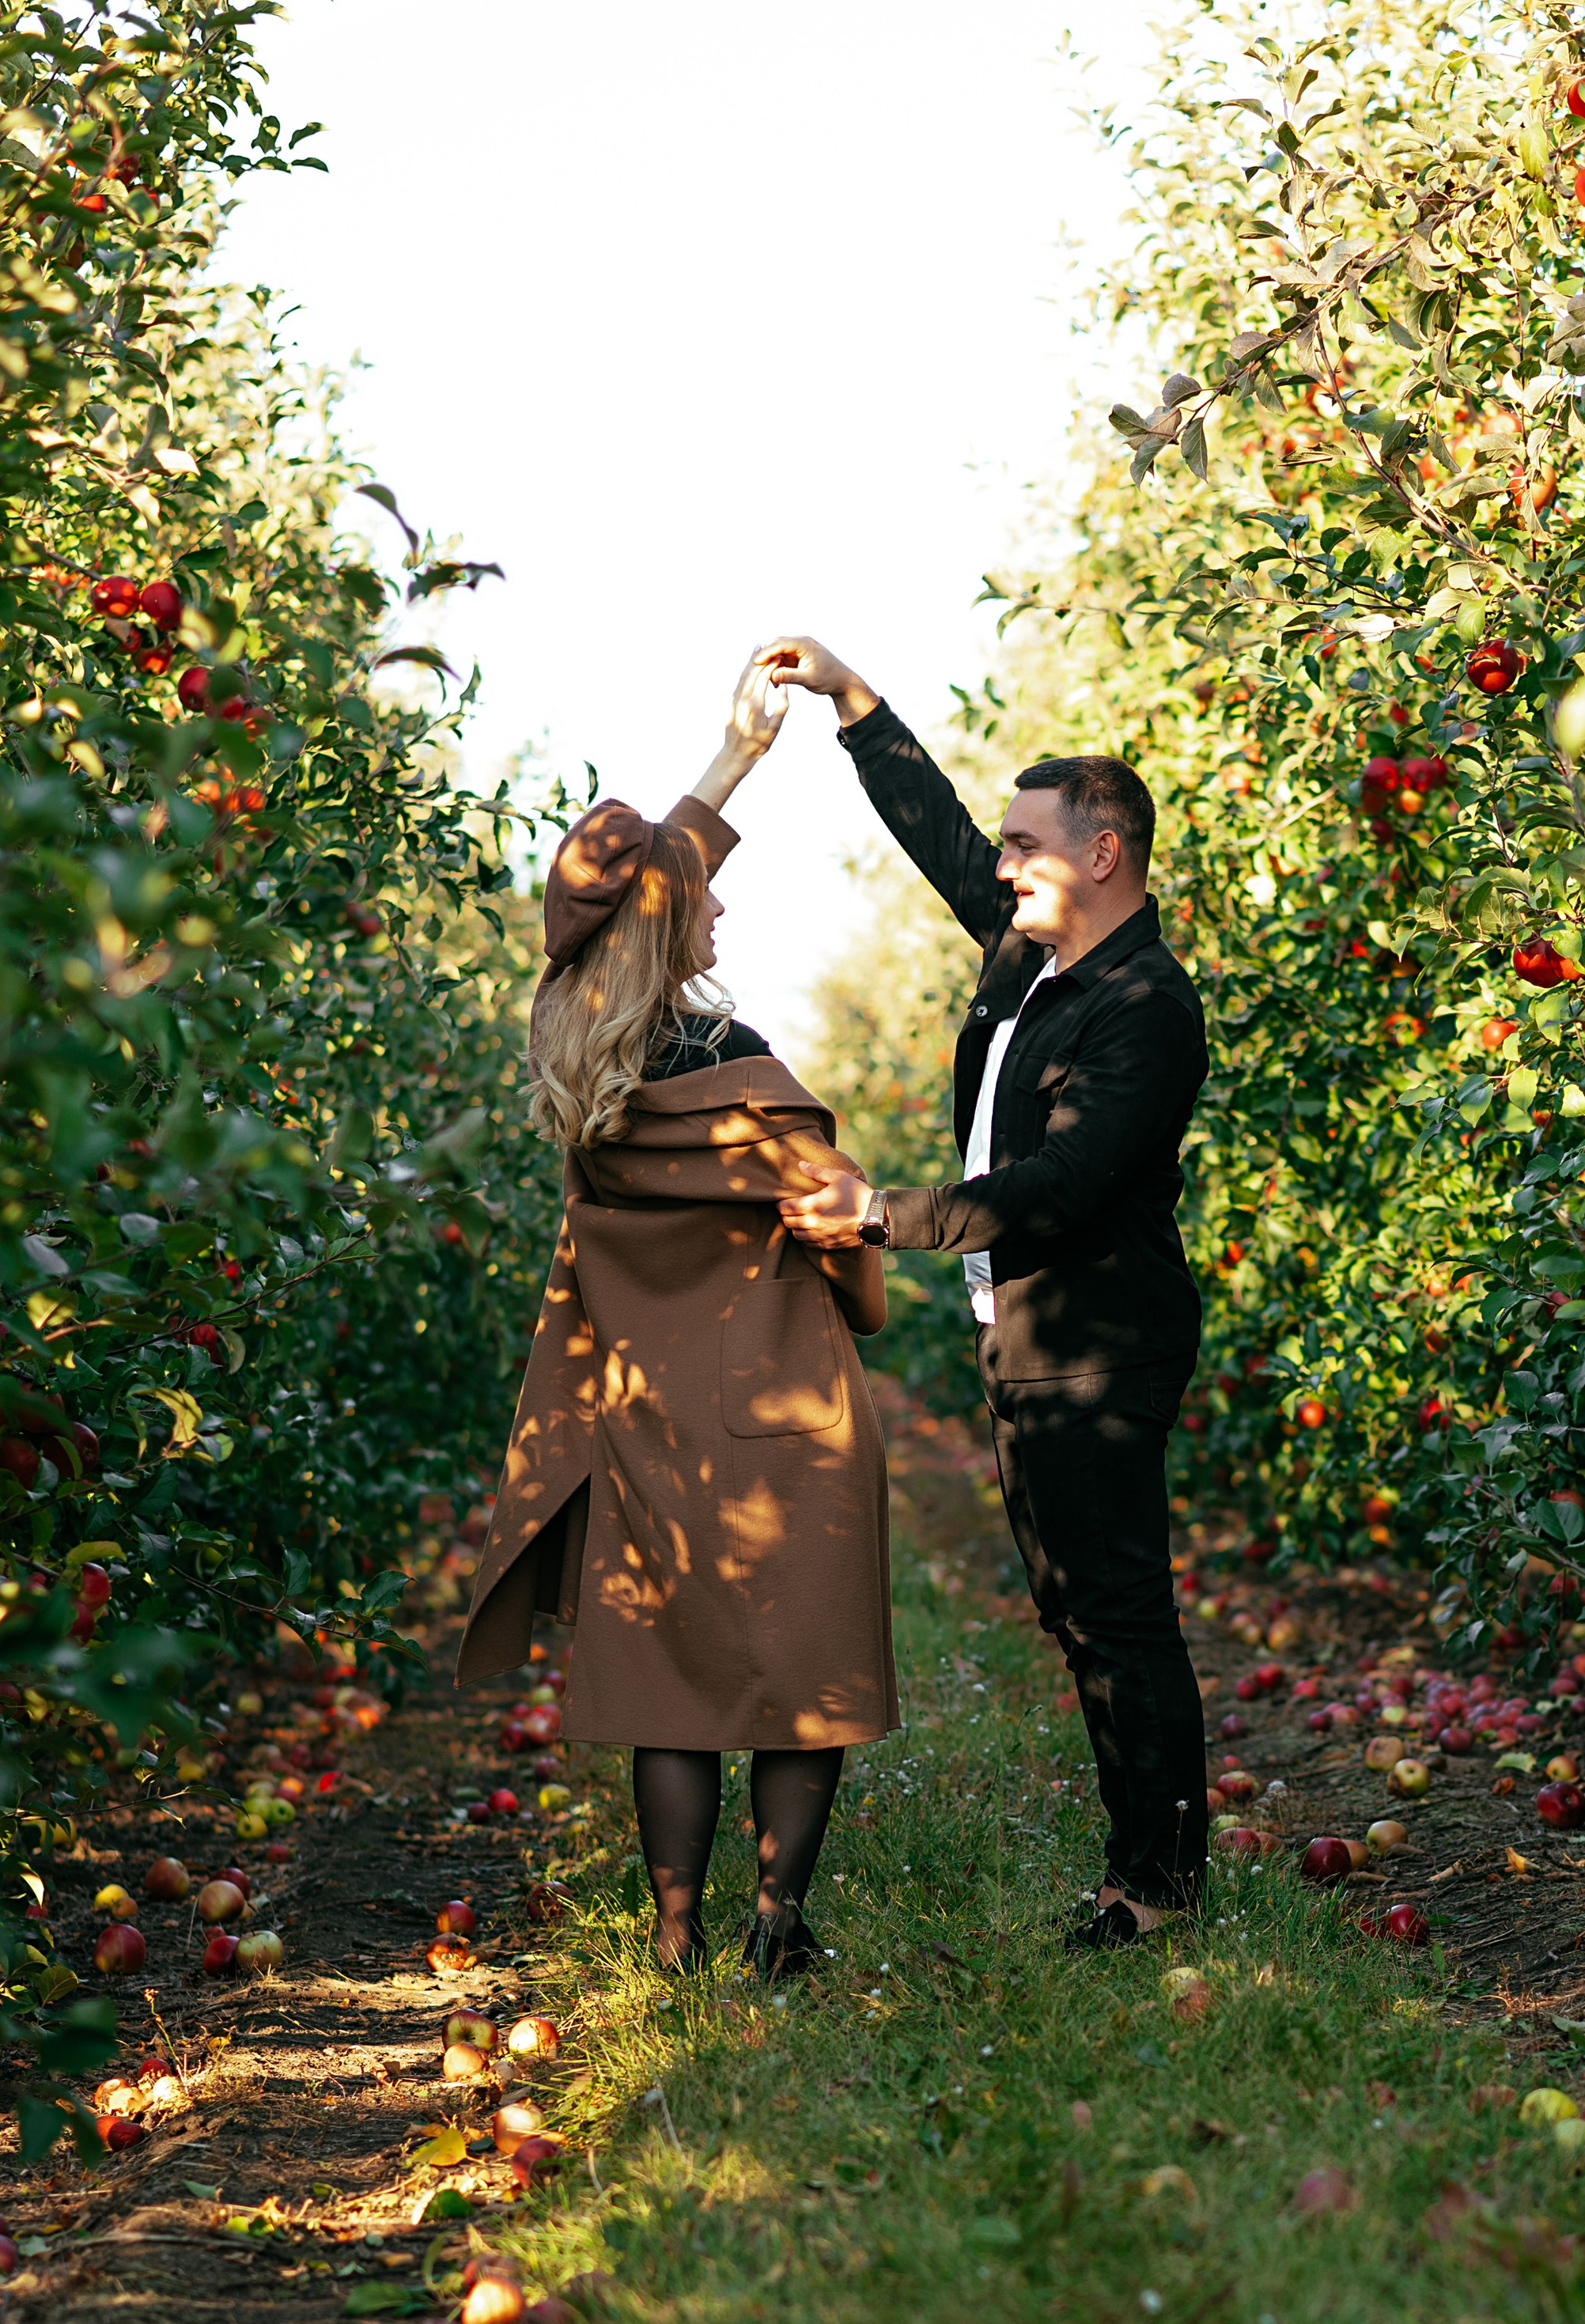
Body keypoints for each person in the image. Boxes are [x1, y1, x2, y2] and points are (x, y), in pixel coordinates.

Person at [762, 635, 1209, 1949]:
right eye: (1010, 847)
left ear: (1104, 854)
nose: (1004, 866)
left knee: (1117, 1613)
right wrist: (853, 702)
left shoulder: (1145, 1004)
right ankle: (1143, 1861)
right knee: (1076, 1609)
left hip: (1098, 1340)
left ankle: (1159, 1885)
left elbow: (1058, 1188)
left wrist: (879, 1214)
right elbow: (941, 836)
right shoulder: (1032, 962)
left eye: (1029, 845)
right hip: (1027, 1335)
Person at [456, 652, 898, 1978]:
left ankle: (673, 1933)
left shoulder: (580, 1076)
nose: (718, 908)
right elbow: (845, 1245)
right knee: (801, 1681)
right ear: (669, 925)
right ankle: (778, 1925)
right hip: (785, 1414)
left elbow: (635, 887)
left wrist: (734, 757)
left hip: (647, 1422)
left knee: (674, 1690)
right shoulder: (744, 1082)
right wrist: (861, 1268)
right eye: (701, 901)